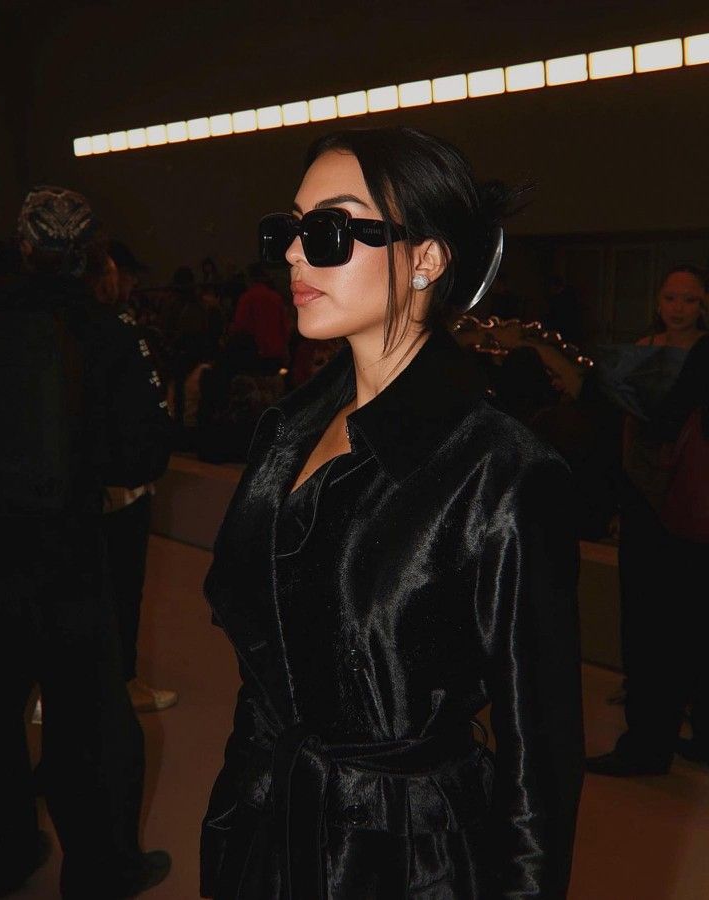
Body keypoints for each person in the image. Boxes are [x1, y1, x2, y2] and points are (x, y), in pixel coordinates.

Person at [200, 126, 584, 899]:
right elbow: (264, 678)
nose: (294, 254)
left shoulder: (501, 473)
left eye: (330, 229)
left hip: (406, 864)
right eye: (289, 229)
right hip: (268, 838)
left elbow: (539, 764)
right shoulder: (286, 432)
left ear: (427, 258)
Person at [0, 185, 171, 898]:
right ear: (92, 252)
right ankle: (100, 869)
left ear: (23, 247)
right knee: (88, 721)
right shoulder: (109, 332)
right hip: (70, 556)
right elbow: (141, 456)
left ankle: (5, 853)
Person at [587, 265, 709, 777]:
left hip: (683, 499)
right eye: (671, 297)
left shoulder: (698, 355)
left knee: (663, 623)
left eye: (689, 299)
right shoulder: (641, 347)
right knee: (670, 620)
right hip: (650, 495)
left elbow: (661, 423)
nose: (678, 308)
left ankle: (648, 744)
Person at [101, 241, 178, 713]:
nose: (129, 284)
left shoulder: (62, 327)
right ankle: (122, 682)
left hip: (81, 486)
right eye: (124, 274)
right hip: (119, 486)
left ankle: (59, 687)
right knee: (121, 588)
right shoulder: (117, 329)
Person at [230, 262, 290, 374]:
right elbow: (284, 326)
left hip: (254, 352)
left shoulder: (246, 298)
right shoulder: (276, 297)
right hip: (275, 350)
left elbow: (240, 326)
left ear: (249, 279)